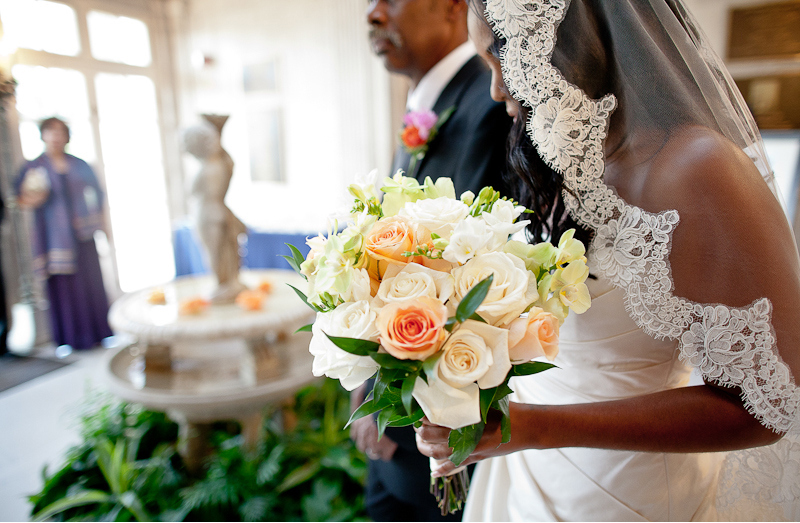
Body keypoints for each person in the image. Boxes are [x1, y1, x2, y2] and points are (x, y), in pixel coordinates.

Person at [414, 1, 800, 521]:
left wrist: (532, 427)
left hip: (629, 494)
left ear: (560, 38)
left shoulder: (698, 169)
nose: (497, 90)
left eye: (500, 57)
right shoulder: (560, 164)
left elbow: (767, 407)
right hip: (526, 483)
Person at [351, 0, 513, 521]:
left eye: (390, 0)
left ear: (452, 6)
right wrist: (362, 384)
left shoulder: (493, 107)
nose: (373, 15)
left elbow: (477, 288)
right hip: (389, 429)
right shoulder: (427, 104)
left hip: (440, 443)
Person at [15, 117, 112, 351]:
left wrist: (101, 226)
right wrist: (34, 196)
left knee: (90, 284)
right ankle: (70, 339)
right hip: (54, 239)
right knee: (64, 288)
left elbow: (98, 195)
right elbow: (21, 199)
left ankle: (99, 333)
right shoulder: (34, 167)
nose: (56, 137)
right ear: (43, 135)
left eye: (60, 132)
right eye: (51, 132)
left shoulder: (79, 164)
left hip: (83, 235)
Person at [182, 120, 246, 304]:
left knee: (215, 252)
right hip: (219, 212)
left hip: (207, 214)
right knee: (226, 250)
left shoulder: (207, 169)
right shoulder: (221, 165)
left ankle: (223, 284)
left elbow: (192, 191)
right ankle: (228, 282)